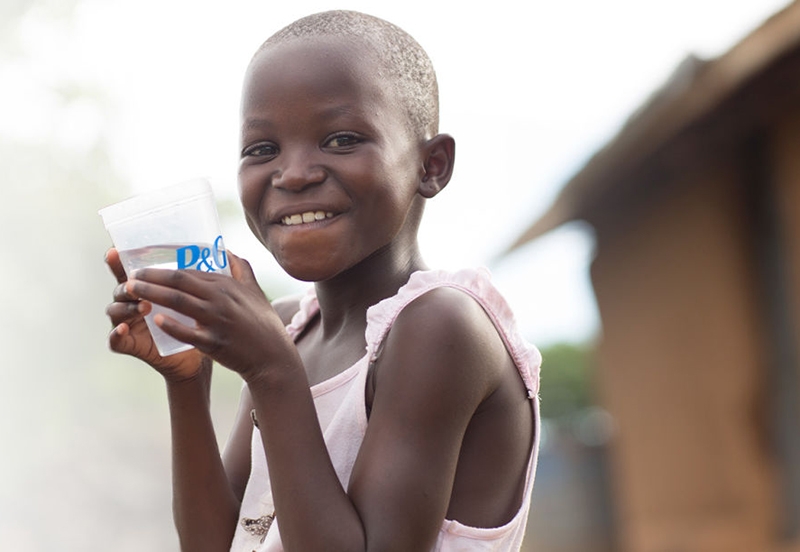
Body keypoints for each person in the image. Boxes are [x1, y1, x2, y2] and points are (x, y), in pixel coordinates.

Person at [104, 10, 541, 552]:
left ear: (431, 165)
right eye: (262, 149)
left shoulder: (440, 327)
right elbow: (218, 544)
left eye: (340, 139)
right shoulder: (290, 327)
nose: (293, 174)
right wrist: (188, 380)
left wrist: (271, 370)